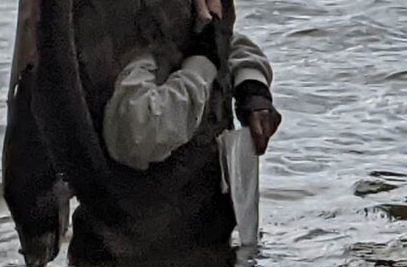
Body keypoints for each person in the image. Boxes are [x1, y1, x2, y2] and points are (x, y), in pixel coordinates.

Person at [101, 31, 281, 168]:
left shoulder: (180, 19)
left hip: (210, 189)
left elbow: (226, 39)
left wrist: (251, 86)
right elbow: (142, 132)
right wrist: (202, 63)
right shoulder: (126, 45)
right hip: (140, 203)